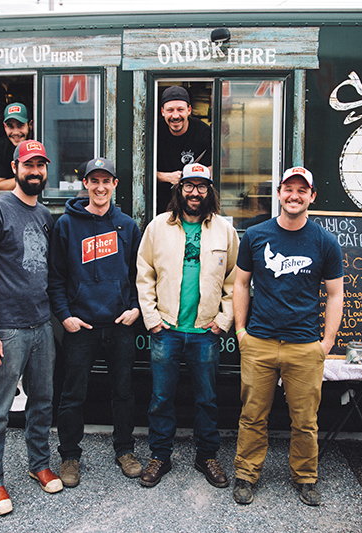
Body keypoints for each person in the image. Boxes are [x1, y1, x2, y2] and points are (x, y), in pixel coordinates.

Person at [231, 166, 344, 507]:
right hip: (260, 342)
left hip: (305, 345)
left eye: (301, 190)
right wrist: (241, 331)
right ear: (279, 193)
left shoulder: (325, 241)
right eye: (288, 189)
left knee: (306, 420)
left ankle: (306, 478)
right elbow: (240, 283)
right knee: (252, 414)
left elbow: (335, 294)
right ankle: (246, 474)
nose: (294, 196)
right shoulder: (255, 235)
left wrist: (326, 343)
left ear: (311, 197)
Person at [0, 140, 62, 516]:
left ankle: (38, 463)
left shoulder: (44, 214)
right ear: (15, 167)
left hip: (41, 325)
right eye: (28, 165)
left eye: (40, 165)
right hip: (7, 329)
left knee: (41, 402)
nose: (35, 171)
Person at [136, 163, 239, 489]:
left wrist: (223, 321)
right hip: (166, 329)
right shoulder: (157, 227)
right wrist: (152, 320)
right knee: (161, 398)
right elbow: (144, 274)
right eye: (189, 186)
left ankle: (206, 455)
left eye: (202, 186)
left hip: (205, 333)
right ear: (179, 190)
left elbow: (235, 282)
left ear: (210, 192)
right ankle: (160, 456)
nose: (195, 192)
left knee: (207, 398)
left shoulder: (224, 230)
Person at [47, 157, 143, 487]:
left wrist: (136, 308)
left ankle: (125, 450)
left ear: (115, 185)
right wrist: (65, 316)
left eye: (107, 181)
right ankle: (70, 456)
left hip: (119, 324)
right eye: (94, 181)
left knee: (124, 392)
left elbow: (139, 276)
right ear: (85, 184)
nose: (100, 187)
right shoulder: (66, 225)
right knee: (72, 393)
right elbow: (56, 277)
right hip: (81, 326)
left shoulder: (128, 226)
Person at [156, 85, 212, 214]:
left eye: (180, 109)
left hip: (196, 201)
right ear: (162, 111)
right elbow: (140, 171)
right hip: (162, 203)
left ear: (189, 110)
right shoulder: (154, 132)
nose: (175, 116)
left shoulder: (203, 132)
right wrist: (166, 177)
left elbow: (216, 168)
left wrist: (191, 179)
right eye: (170, 110)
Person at [0, 102, 33, 191]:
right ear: (4, 127)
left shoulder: (41, 143)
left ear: (30, 125)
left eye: (20, 125)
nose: (15, 132)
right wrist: (28, 177)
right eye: (10, 126)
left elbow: (48, 183)